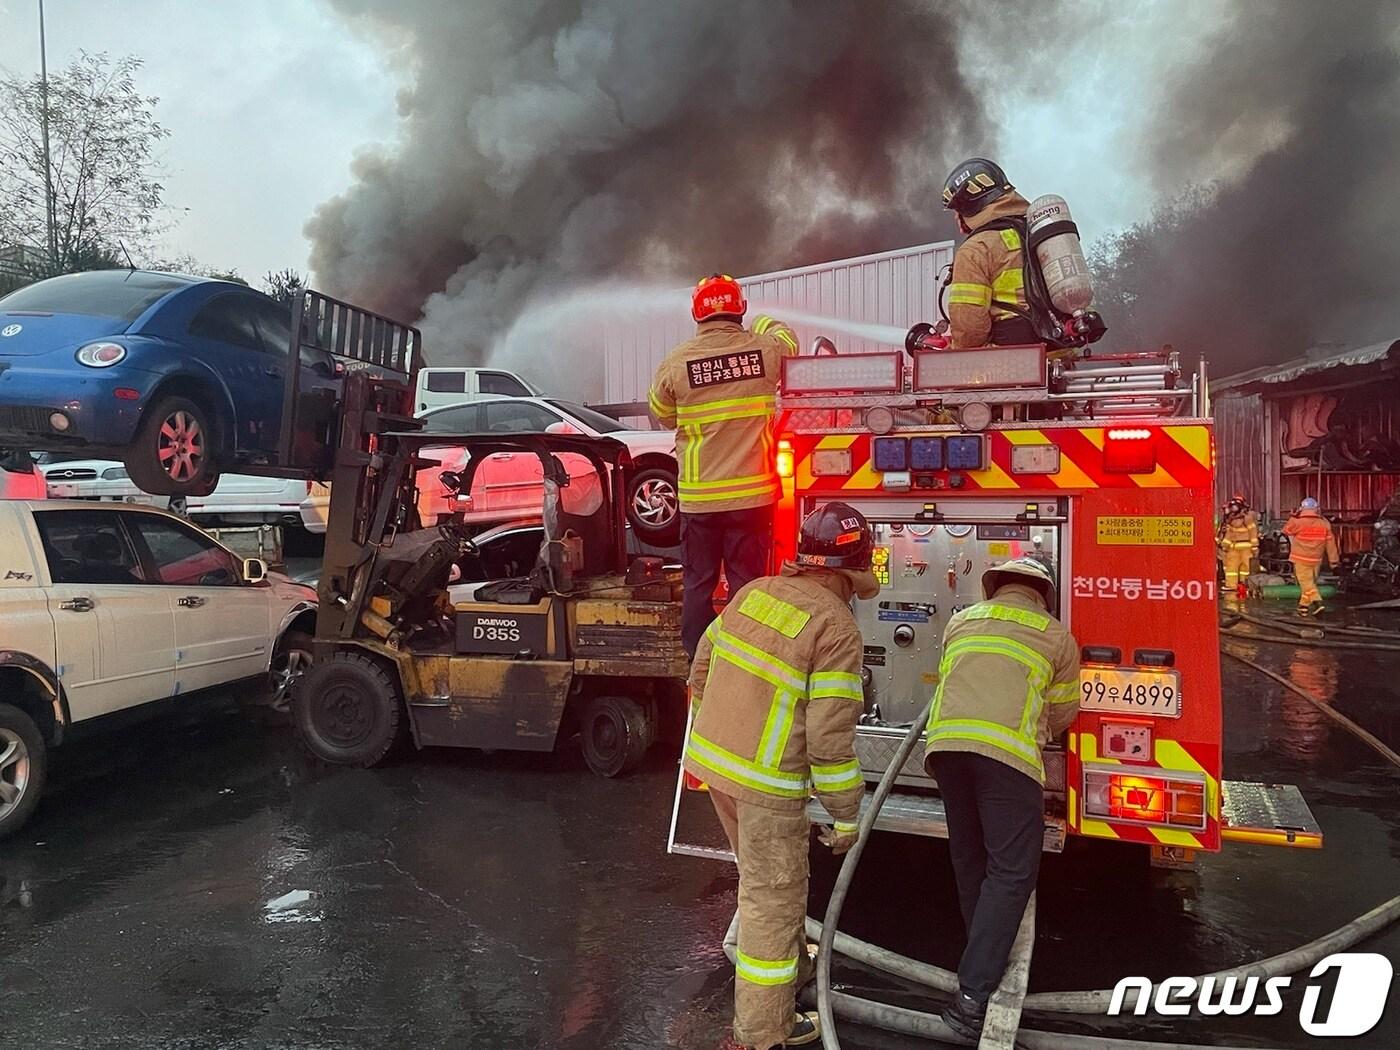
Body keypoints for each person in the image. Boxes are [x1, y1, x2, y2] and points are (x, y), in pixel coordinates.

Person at [685, 502, 879, 1050]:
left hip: (716, 767)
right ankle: (762, 1033)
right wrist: (846, 815)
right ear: (856, 563)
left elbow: (702, 666)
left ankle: (786, 984)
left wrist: (719, 732)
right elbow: (830, 739)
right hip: (768, 788)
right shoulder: (836, 627)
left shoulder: (755, 592)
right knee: (773, 900)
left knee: (767, 884)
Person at [924, 557, 1080, 1042]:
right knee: (1011, 870)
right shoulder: (1056, 636)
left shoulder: (960, 621)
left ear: (995, 587)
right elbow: (1063, 712)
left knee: (970, 860)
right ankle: (972, 998)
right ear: (1043, 593)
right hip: (1007, 758)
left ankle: (981, 952)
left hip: (945, 750)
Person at [649, 273, 799, 657]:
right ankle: (747, 653)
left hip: (701, 501)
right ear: (740, 309)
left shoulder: (677, 361)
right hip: (752, 496)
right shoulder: (764, 350)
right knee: (748, 582)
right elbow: (791, 344)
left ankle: (698, 655)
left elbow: (661, 412)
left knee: (698, 582)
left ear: (697, 313)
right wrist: (764, 321)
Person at [941, 158, 1034, 349]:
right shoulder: (1035, 232)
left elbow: (970, 334)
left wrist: (949, 350)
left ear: (969, 206)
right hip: (1061, 357)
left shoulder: (976, 250)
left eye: (958, 212)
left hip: (1015, 365)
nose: (957, 220)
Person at [1283, 497, 1340, 616]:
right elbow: (1331, 544)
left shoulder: (1298, 522)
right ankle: (1303, 607)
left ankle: (1318, 603)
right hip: (1316, 559)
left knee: (1307, 584)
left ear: (1302, 508)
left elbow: (1286, 530)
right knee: (1309, 584)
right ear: (1316, 509)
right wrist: (1334, 562)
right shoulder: (1324, 523)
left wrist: (1293, 516)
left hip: (1300, 559)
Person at [1217, 493, 1260, 599]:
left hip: (1245, 547)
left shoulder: (1247, 518)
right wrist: (1224, 545)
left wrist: (1255, 546)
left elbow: (1253, 532)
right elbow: (1229, 533)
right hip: (1234, 548)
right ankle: (1232, 585)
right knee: (1232, 568)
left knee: (1246, 567)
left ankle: (1245, 585)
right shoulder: (1230, 520)